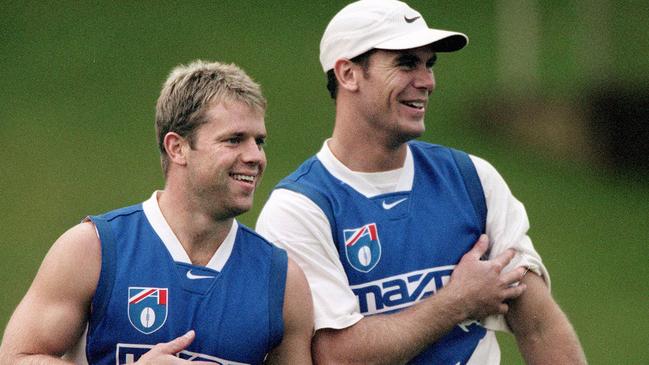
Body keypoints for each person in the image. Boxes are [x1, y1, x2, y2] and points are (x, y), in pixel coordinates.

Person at [256, 1, 586, 364]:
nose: (427, 81)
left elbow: (539, 327)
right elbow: (338, 357)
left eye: (429, 64)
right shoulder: (299, 209)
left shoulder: (472, 179)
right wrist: (458, 301)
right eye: (406, 63)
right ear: (348, 74)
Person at [0, 60, 314, 365]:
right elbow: (16, 357)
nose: (255, 156)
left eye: (259, 141)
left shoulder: (282, 282)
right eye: (234, 140)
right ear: (177, 148)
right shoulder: (93, 250)